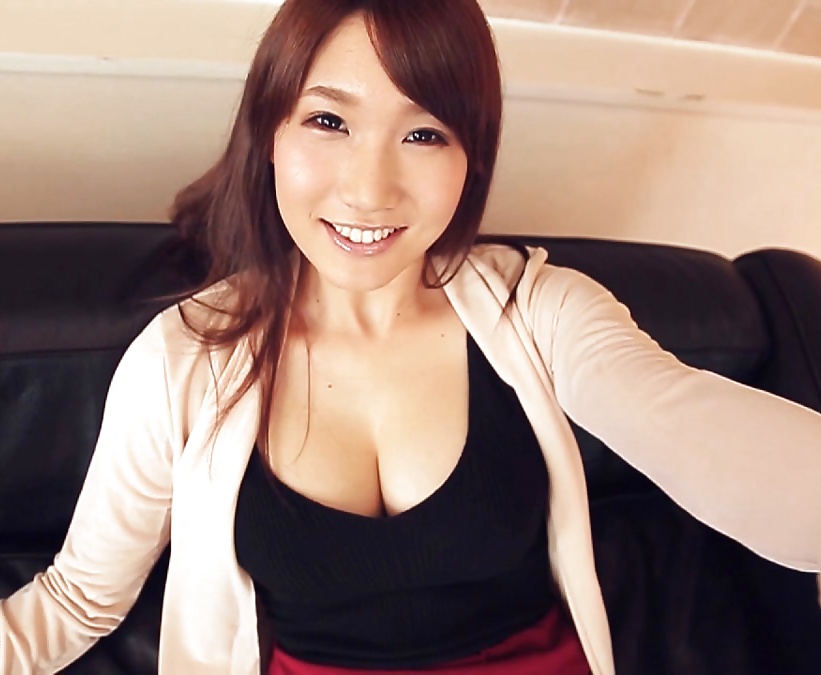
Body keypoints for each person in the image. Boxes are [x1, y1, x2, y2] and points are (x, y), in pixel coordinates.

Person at [2, 0, 821, 673]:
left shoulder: (536, 310)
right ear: (271, 135)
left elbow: (687, 423)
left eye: (424, 133)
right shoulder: (180, 360)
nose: (369, 189)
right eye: (328, 120)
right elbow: (77, 599)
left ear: (472, 158)